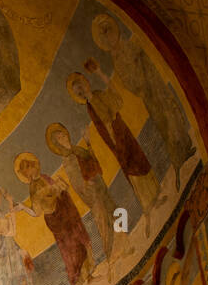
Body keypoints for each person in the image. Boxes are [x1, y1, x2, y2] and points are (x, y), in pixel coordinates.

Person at [91, 13, 194, 189]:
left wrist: (143, 67)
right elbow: (128, 81)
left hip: (155, 83)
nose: (108, 36)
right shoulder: (116, 60)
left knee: (171, 110)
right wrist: (139, 80)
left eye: (108, 30)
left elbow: (144, 54)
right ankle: (177, 156)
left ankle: (185, 147)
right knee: (162, 121)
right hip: (146, 92)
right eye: (103, 34)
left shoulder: (128, 44)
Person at [67, 70, 158, 235]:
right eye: (77, 92)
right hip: (113, 139)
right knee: (129, 170)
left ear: (86, 82)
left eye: (80, 86)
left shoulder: (99, 95)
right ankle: (147, 207)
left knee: (138, 160)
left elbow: (117, 102)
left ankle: (155, 197)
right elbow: (101, 128)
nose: (80, 91)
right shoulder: (89, 107)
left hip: (120, 131)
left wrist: (101, 74)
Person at [14, 151, 92, 285]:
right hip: (56, 221)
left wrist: (60, 187)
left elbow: (62, 188)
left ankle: (89, 275)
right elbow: (37, 212)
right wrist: (23, 208)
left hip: (67, 212)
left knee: (80, 242)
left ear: (34, 165)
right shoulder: (33, 187)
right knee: (69, 250)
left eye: (29, 167)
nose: (28, 172)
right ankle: (76, 284)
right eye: (25, 171)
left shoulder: (45, 177)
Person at [45, 123, 117, 275]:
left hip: (100, 186)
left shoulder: (77, 150)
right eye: (59, 138)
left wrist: (89, 142)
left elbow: (94, 161)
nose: (63, 138)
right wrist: (88, 186)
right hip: (92, 193)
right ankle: (111, 254)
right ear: (57, 144)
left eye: (63, 135)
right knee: (103, 221)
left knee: (115, 212)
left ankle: (124, 240)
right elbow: (76, 182)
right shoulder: (67, 159)